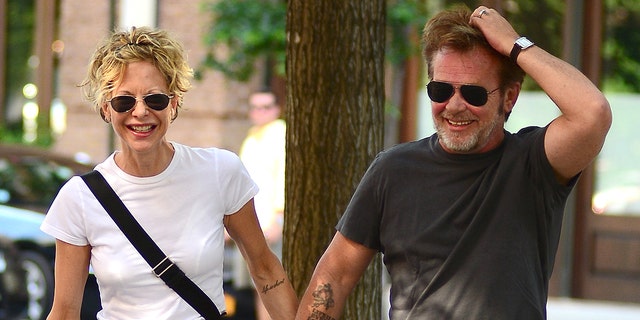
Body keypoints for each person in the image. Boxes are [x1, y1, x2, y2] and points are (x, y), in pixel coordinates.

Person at [296, 6, 611, 320]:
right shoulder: (392, 170)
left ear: (510, 97)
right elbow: (334, 276)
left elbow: (592, 113)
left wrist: (515, 44)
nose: (455, 106)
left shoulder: (534, 164)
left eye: (474, 94)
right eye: (441, 90)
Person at [40, 26, 298, 319]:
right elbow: (64, 311)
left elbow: (266, 271)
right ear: (106, 109)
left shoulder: (219, 172)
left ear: (173, 103)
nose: (140, 112)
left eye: (155, 99)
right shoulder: (80, 198)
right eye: (124, 101)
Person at [232, 91, 286, 320]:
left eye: (266, 107)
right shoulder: (252, 137)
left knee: (273, 283)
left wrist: (279, 218)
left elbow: (284, 176)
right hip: (252, 223)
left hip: (271, 223)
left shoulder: (280, 134)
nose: (260, 112)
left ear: (277, 109)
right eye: (255, 107)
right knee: (258, 284)